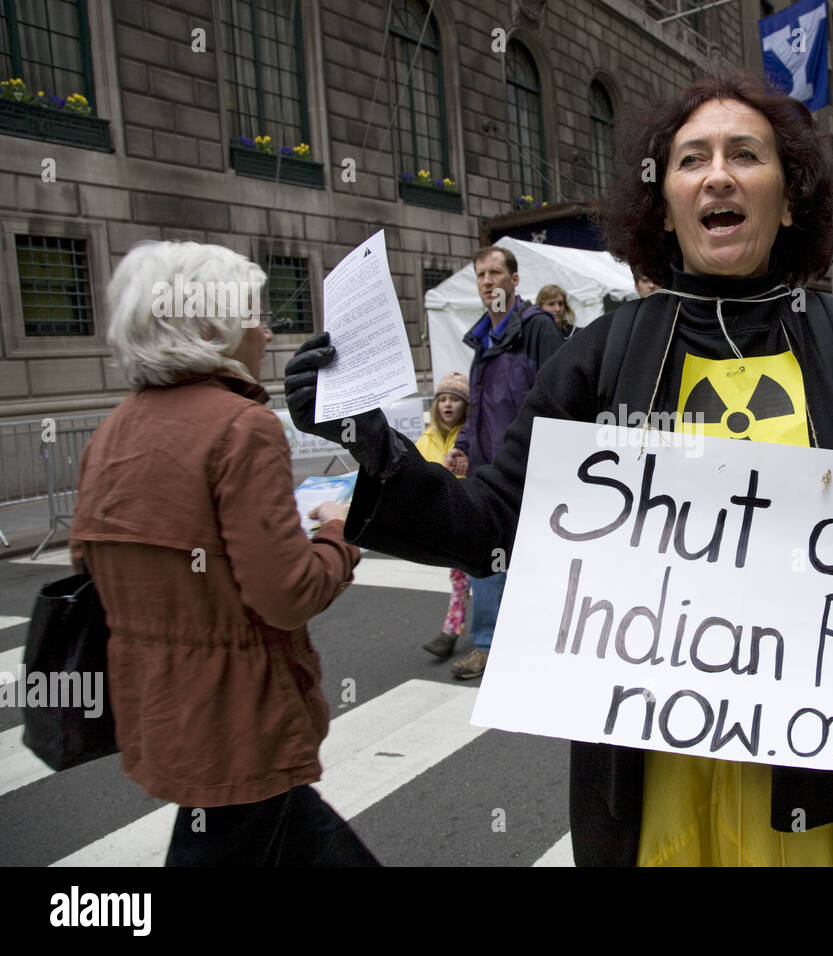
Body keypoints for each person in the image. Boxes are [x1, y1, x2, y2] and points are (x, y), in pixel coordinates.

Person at [285, 72, 833, 868]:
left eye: (745, 155)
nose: (718, 174)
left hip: (807, 780)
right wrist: (373, 447)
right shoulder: (602, 357)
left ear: (789, 200)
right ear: (664, 204)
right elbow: (485, 527)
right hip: (652, 778)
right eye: (693, 160)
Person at [71, 241, 376, 866]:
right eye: (255, 314)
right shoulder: (242, 427)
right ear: (210, 326)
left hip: (160, 710)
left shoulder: (113, 430)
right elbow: (288, 594)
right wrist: (339, 533)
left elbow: (101, 563)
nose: (267, 332)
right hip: (244, 723)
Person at [441, 246, 564, 679]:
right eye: (480, 275)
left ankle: (549, 637)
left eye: (496, 273)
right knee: (486, 560)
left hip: (531, 469)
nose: (488, 281)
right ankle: (487, 645)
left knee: (539, 557)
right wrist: (464, 445)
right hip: (486, 473)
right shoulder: (480, 341)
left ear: (515, 280)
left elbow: (558, 398)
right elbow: (478, 409)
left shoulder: (538, 329)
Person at [416, 372, 472, 660]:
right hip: (448, 523)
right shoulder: (424, 440)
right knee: (460, 579)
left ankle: (452, 633)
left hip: (474, 517)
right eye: (443, 400)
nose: (448, 405)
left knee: (479, 579)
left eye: (455, 400)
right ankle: (451, 631)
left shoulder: (470, 437)